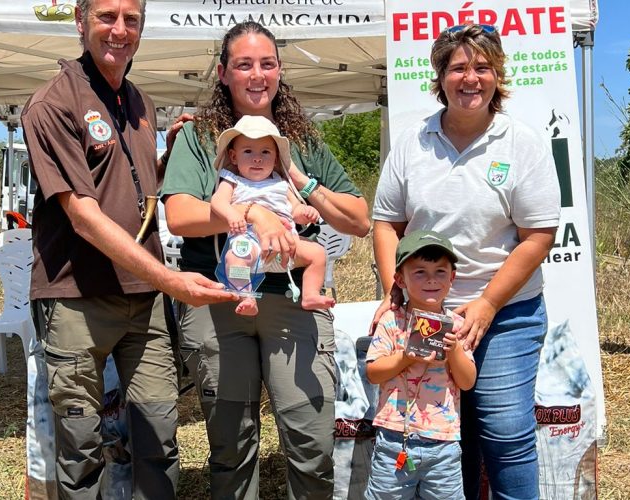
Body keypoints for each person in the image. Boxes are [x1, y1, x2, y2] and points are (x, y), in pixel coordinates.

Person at [21, 0, 235, 497]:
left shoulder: (140, 102)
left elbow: (137, 194)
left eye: (131, 19)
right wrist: (173, 281)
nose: (120, 30)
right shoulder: (52, 103)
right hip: (77, 297)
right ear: (80, 21)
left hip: (144, 301)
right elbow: (84, 215)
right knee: (82, 447)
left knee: (159, 436)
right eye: (107, 17)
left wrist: (169, 156)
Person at [160, 21, 371, 499]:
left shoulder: (302, 139)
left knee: (311, 443)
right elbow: (179, 214)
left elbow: (358, 219)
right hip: (222, 303)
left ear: (280, 72)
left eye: (267, 64)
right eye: (244, 65)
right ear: (223, 74)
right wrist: (252, 213)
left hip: (294, 304)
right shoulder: (200, 137)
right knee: (231, 451)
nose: (257, 75)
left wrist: (299, 176)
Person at [370, 24, 560, 499]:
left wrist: (488, 305)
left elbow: (539, 236)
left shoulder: (523, 143)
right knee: (452, 435)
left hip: (506, 312)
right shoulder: (413, 143)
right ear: (440, 77)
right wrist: (394, 291)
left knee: (504, 432)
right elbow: (386, 223)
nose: (470, 78)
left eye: (482, 67)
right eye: (458, 67)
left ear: (497, 76)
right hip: (425, 315)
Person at [365, 231, 477, 500]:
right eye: (420, 272)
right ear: (400, 279)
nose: (431, 279)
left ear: (452, 278)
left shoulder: (457, 327)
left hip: (444, 443)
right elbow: (372, 372)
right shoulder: (392, 321)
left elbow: (467, 381)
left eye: (440, 271)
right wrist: (406, 357)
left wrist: (454, 353)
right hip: (394, 439)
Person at [210, 114, 335, 315]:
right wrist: (231, 215)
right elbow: (218, 201)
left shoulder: (281, 183)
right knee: (234, 260)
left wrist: (305, 212)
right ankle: (246, 295)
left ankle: (310, 294)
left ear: (276, 158)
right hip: (251, 245)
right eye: (248, 151)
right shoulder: (233, 181)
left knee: (318, 253)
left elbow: (294, 210)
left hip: (287, 245)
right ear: (233, 157)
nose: (257, 158)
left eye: (265, 152)